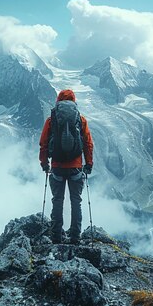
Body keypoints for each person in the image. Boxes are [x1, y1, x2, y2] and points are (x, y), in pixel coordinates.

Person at [39, 89, 94, 244]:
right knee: (76, 201)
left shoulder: (52, 120)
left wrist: (44, 163)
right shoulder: (81, 120)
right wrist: (88, 164)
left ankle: (56, 237)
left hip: (57, 167)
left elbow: (43, 143)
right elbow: (88, 144)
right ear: (74, 102)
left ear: (58, 102)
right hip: (76, 168)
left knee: (57, 200)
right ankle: (75, 237)